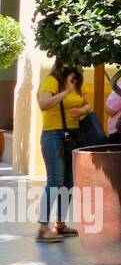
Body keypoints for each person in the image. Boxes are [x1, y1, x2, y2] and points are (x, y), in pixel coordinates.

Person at [34, 61, 90, 242]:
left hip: (73, 137)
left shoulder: (78, 81)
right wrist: (66, 91)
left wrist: (82, 110)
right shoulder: (52, 81)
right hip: (54, 136)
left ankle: (60, 224)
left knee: (68, 182)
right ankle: (43, 227)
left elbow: (88, 104)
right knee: (55, 181)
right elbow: (43, 104)